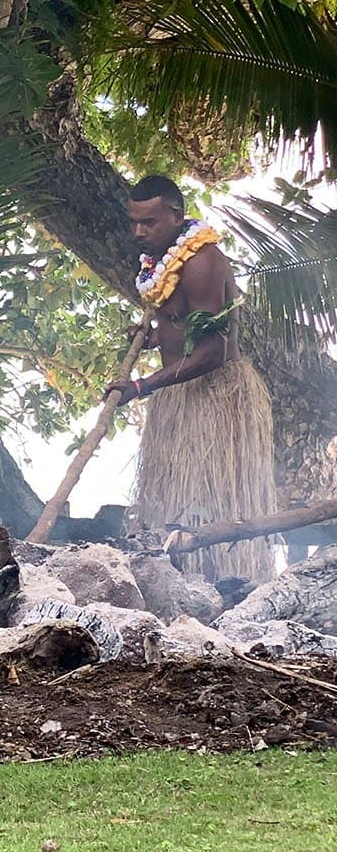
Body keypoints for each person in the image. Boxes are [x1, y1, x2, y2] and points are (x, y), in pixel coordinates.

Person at [106, 175, 279, 585]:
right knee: (174, 507)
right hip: (179, 395)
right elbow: (184, 325)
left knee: (209, 505)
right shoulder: (164, 258)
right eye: (134, 222)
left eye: (149, 222)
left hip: (214, 398)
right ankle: (178, 583)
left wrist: (141, 386)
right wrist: (154, 337)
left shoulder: (200, 262)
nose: (138, 232)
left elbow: (213, 352)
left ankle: (227, 582)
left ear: (175, 214)